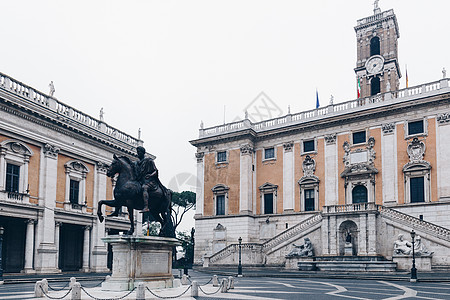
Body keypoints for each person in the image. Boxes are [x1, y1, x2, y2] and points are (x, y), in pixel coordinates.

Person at [134, 146, 159, 212]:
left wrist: (150, 175)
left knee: (144, 188)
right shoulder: (136, 163)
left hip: (149, 181)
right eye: (137, 152)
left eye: (139, 152)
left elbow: (155, 171)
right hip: (140, 181)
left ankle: (146, 207)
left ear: (143, 153)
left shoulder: (149, 160)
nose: (137, 154)